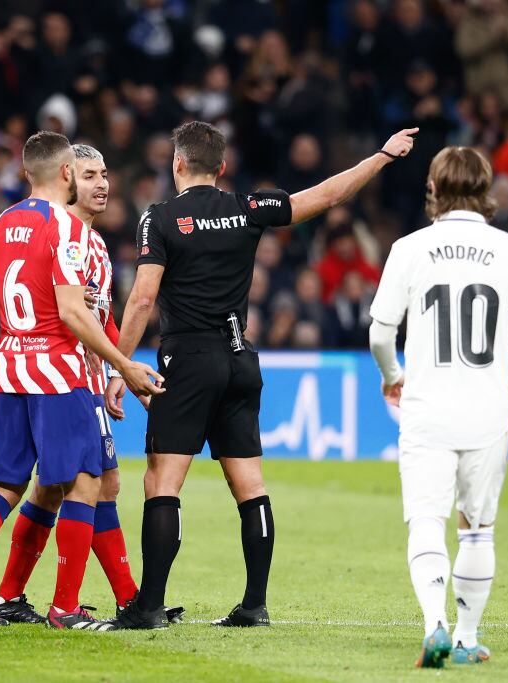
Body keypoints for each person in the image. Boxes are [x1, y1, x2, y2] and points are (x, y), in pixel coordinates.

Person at [107, 121, 417, 630]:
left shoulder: (160, 217)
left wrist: (120, 365)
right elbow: (327, 194)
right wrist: (381, 155)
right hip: (239, 359)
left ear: (177, 163)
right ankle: (254, 604)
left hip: (187, 360)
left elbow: (142, 298)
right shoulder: (247, 208)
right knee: (250, 485)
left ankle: (150, 606)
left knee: (163, 482)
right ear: (222, 168)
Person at [0, 131, 164, 631]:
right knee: (87, 483)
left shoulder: (0, 225)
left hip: (8, 366)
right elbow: (73, 314)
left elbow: (0, 307)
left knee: (16, 485)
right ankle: (69, 607)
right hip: (61, 373)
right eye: (88, 175)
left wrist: (105, 363)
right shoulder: (67, 230)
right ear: (66, 175)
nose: (101, 184)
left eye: (105, 175)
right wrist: (122, 366)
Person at [368, 147, 508, 667]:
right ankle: (468, 638)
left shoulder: (409, 248)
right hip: (489, 409)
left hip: (427, 407)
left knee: (427, 520)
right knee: (477, 526)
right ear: (486, 187)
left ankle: (435, 625)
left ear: (434, 189)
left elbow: (381, 333)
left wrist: (393, 377)